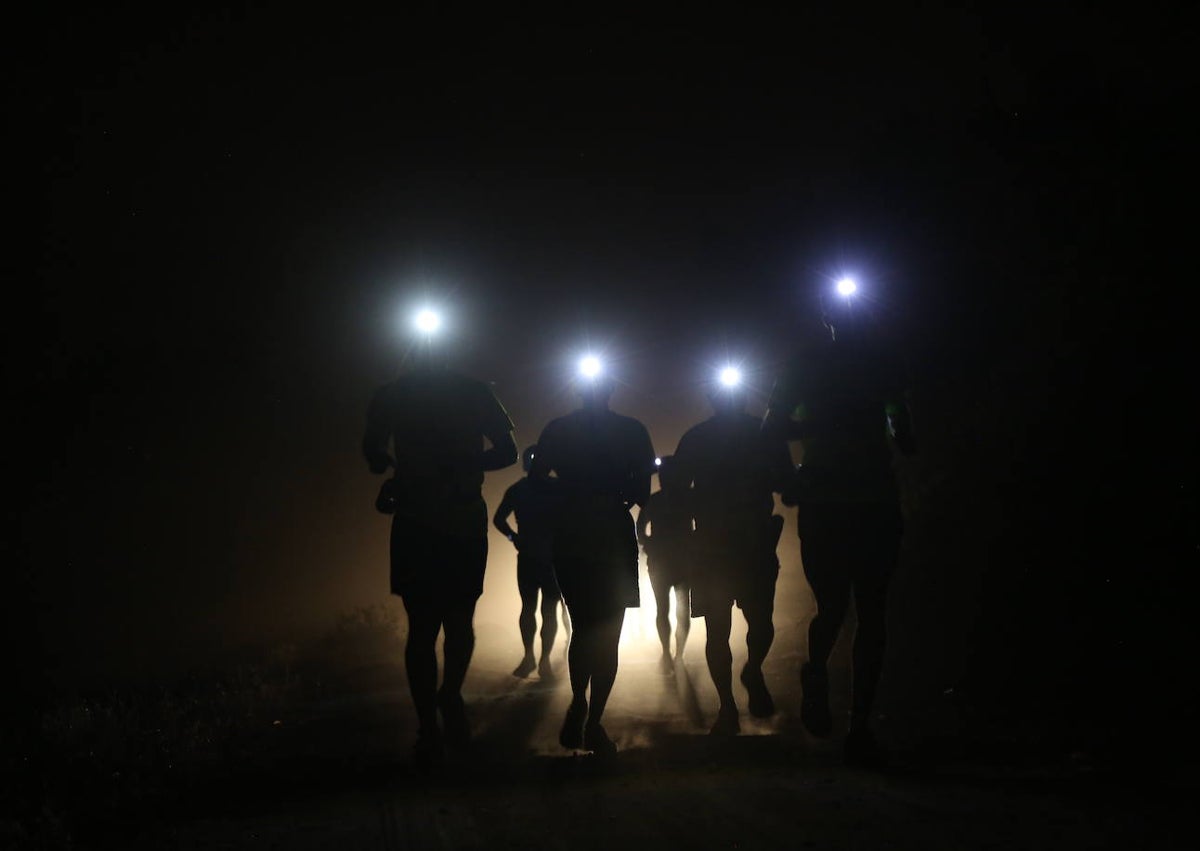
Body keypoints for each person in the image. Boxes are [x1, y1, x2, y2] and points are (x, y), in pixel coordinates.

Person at [763, 285, 917, 767]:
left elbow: (773, 429)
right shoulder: (879, 364)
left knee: (839, 608)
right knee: (866, 612)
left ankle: (831, 692)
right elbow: (905, 434)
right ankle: (855, 722)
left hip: (832, 501)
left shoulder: (805, 367)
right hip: (867, 499)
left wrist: (795, 474)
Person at [362, 345, 517, 768]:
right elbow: (506, 451)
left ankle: (438, 711)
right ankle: (437, 714)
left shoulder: (400, 394)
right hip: (441, 520)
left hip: (435, 520)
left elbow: (508, 451)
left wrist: (390, 468)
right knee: (438, 624)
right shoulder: (463, 392)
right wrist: (389, 466)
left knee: (438, 624)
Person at [531, 364, 655, 756]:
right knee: (609, 632)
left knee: (583, 627)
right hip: (613, 535)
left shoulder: (558, 429)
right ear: (612, 390)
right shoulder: (632, 430)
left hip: (571, 536)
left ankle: (578, 701)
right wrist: (613, 495)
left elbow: (536, 479)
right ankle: (594, 720)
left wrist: (568, 494)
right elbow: (643, 491)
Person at [674, 372, 792, 735]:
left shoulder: (698, 438)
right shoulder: (760, 434)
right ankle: (731, 698)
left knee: (731, 627)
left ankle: (737, 692)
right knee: (744, 624)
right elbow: (787, 484)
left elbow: (676, 493)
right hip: (739, 542)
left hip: (719, 543)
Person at [494, 444, 570, 680]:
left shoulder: (521, 490)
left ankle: (536, 658)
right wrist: (513, 537)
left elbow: (499, 519)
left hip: (539, 557)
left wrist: (513, 537)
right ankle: (537, 659)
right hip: (544, 558)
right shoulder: (557, 489)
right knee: (542, 610)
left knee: (536, 609)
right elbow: (499, 520)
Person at [636, 455, 693, 675]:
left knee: (668, 609)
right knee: (677, 610)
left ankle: (671, 654)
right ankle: (674, 654)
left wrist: (649, 543)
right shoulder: (686, 499)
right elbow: (640, 531)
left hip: (665, 561)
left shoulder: (655, 500)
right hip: (677, 561)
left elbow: (640, 530)